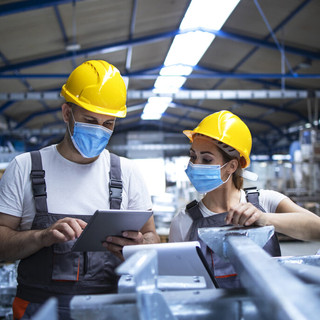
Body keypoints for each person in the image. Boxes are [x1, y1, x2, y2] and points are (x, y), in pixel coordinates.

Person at [0, 60, 160, 319]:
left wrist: (138, 246)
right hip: (38, 310)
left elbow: (152, 238)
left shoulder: (128, 173)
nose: (99, 130)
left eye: (108, 124)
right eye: (90, 120)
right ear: (67, 113)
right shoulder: (25, 167)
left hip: (109, 311)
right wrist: (42, 237)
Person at [169, 110, 320, 289]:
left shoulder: (265, 201)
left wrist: (264, 219)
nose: (195, 165)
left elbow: (316, 228)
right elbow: (178, 284)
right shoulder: (183, 220)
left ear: (232, 166)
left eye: (206, 159)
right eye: (193, 157)